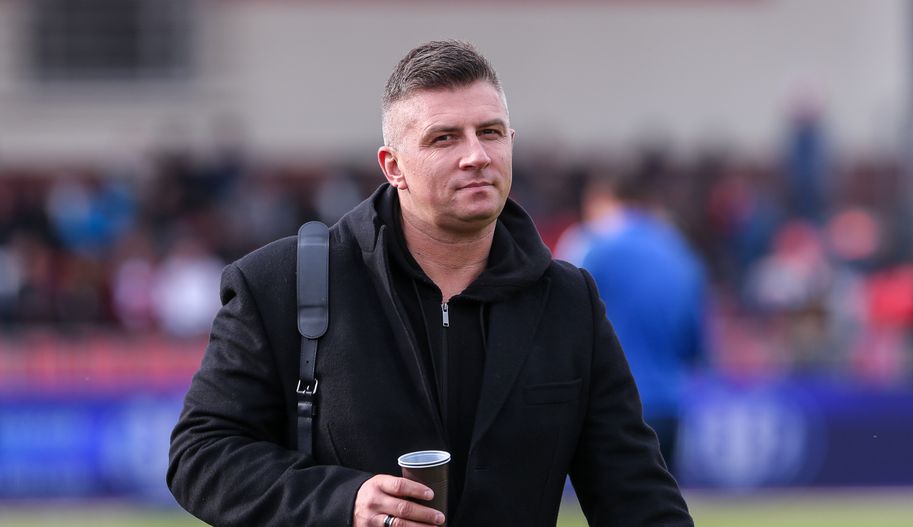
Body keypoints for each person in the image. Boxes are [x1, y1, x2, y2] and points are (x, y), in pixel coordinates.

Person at [167, 40, 693, 526]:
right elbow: (201, 456)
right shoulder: (279, 284)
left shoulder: (569, 300)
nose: (476, 155)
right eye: (445, 138)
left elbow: (637, 496)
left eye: (490, 132)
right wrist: (342, 501)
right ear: (393, 166)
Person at [577, 154, 708, 473]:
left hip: (611, 404)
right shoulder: (680, 251)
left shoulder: (594, 246)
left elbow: (561, 325)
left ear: (603, 199)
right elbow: (694, 340)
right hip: (668, 404)